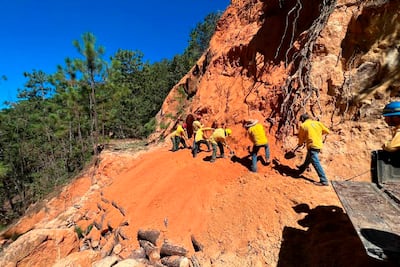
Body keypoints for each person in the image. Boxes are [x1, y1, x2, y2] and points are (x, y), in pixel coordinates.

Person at [291, 113, 330, 186]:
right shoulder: (318, 123)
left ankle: (324, 180)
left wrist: (300, 144)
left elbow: (301, 138)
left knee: (315, 162)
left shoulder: (303, 126)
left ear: (302, 119)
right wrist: (317, 134)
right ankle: (301, 169)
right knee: (309, 158)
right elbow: (327, 131)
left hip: (312, 145)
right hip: (318, 145)